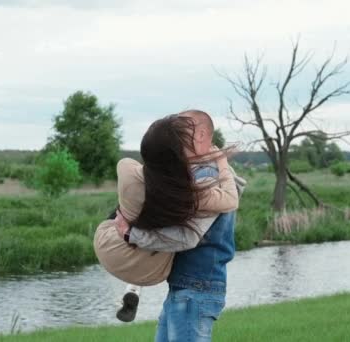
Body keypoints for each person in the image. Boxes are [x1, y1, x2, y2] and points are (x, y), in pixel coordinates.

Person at [93, 110, 245, 326]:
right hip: (187, 282)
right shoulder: (190, 179)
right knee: (147, 220)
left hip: (196, 285)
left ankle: (133, 289)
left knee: (145, 223)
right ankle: (133, 288)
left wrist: (130, 234)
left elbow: (187, 236)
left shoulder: (201, 185)